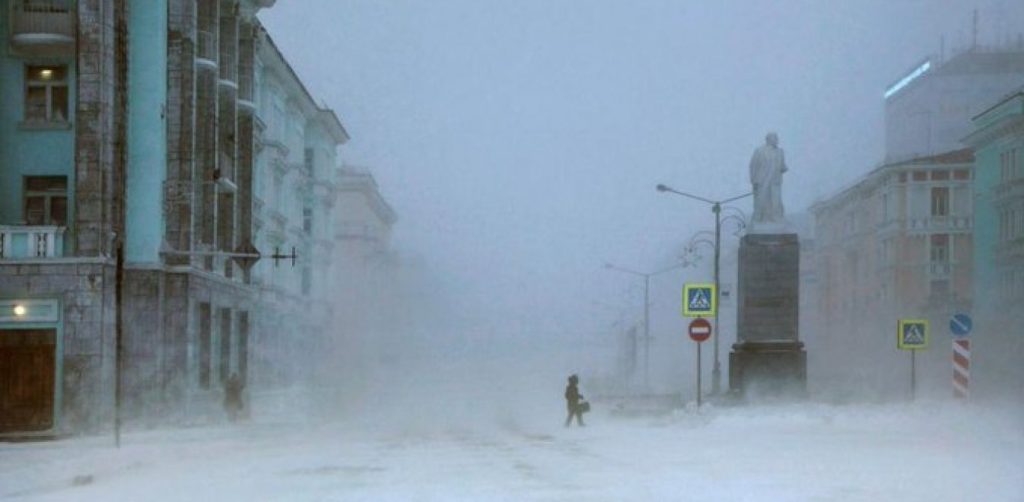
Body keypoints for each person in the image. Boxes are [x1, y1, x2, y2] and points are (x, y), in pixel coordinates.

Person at [749, 132, 788, 226]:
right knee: (762, 200)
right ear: (768, 140)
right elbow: (753, 165)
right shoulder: (759, 151)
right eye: (775, 138)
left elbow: (782, 166)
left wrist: (783, 168)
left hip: (775, 181)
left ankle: (776, 218)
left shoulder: (780, 151)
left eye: (777, 138)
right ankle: (760, 218)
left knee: (776, 201)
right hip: (762, 180)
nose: (777, 140)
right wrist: (754, 180)